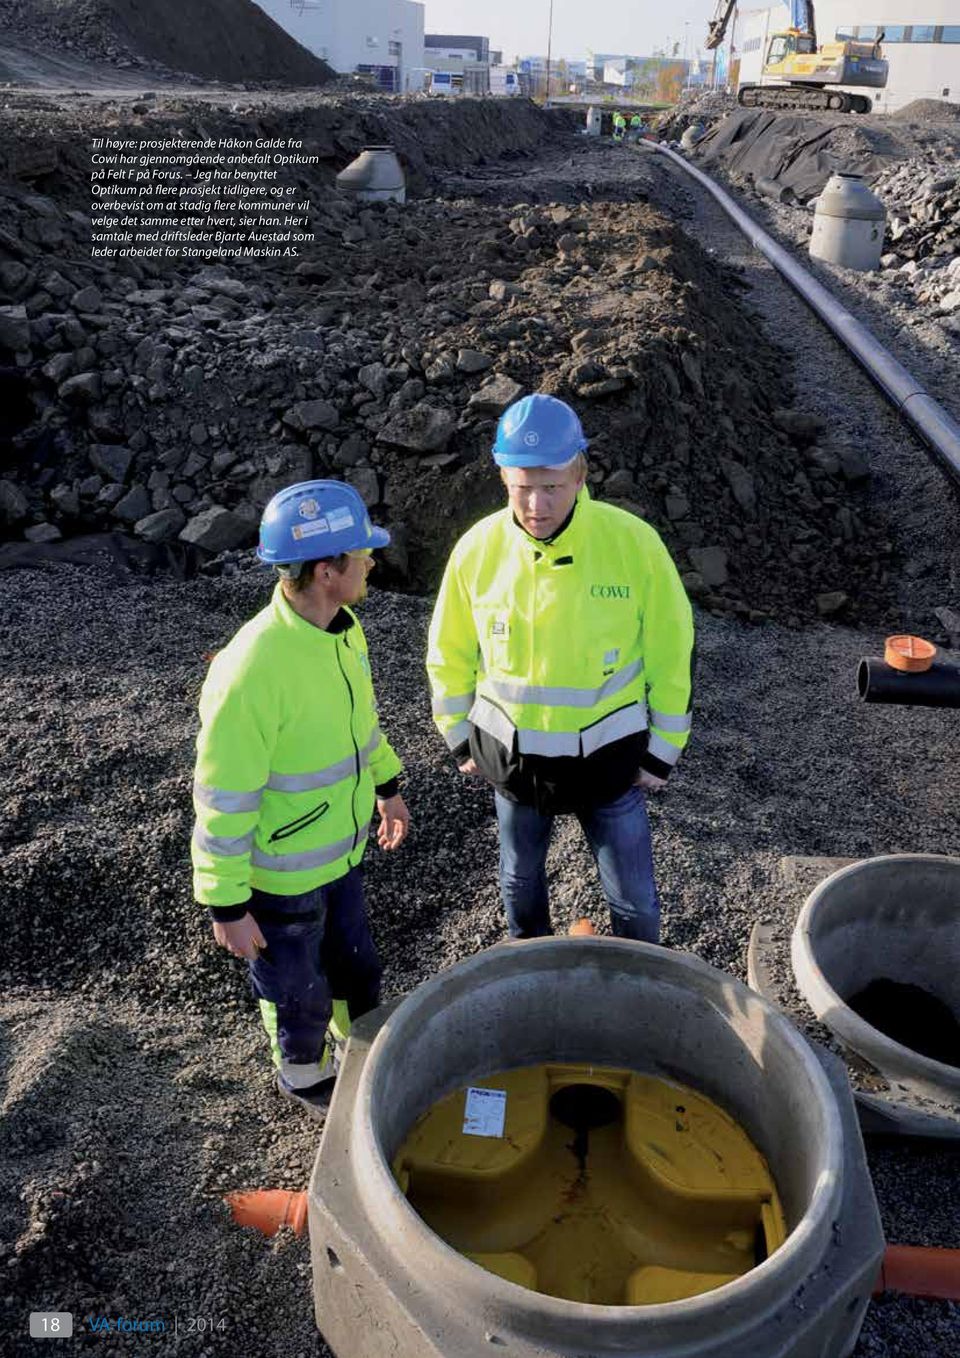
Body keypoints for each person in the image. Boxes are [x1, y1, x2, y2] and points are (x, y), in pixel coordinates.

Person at [426, 395, 694, 944]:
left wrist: (663, 749)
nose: (536, 504)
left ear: (579, 473)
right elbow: (448, 651)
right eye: (522, 487)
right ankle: (530, 966)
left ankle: (639, 983)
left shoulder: (632, 545)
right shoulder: (478, 551)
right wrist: (459, 740)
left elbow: (673, 651)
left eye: (550, 486)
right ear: (503, 478)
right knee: (519, 880)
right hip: (514, 762)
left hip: (610, 763)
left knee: (634, 900)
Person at [191, 480, 410, 1120]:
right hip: (281, 877)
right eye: (361, 554)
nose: (372, 561)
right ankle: (304, 1076)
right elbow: (223, 798)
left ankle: (356, 1055)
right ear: (326, 570)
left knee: (357, 971)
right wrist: (226, 901)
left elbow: (359, 724)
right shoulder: (251, 669)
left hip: (340, 856)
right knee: (297, 989)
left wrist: (387, 786)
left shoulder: (344, 632)